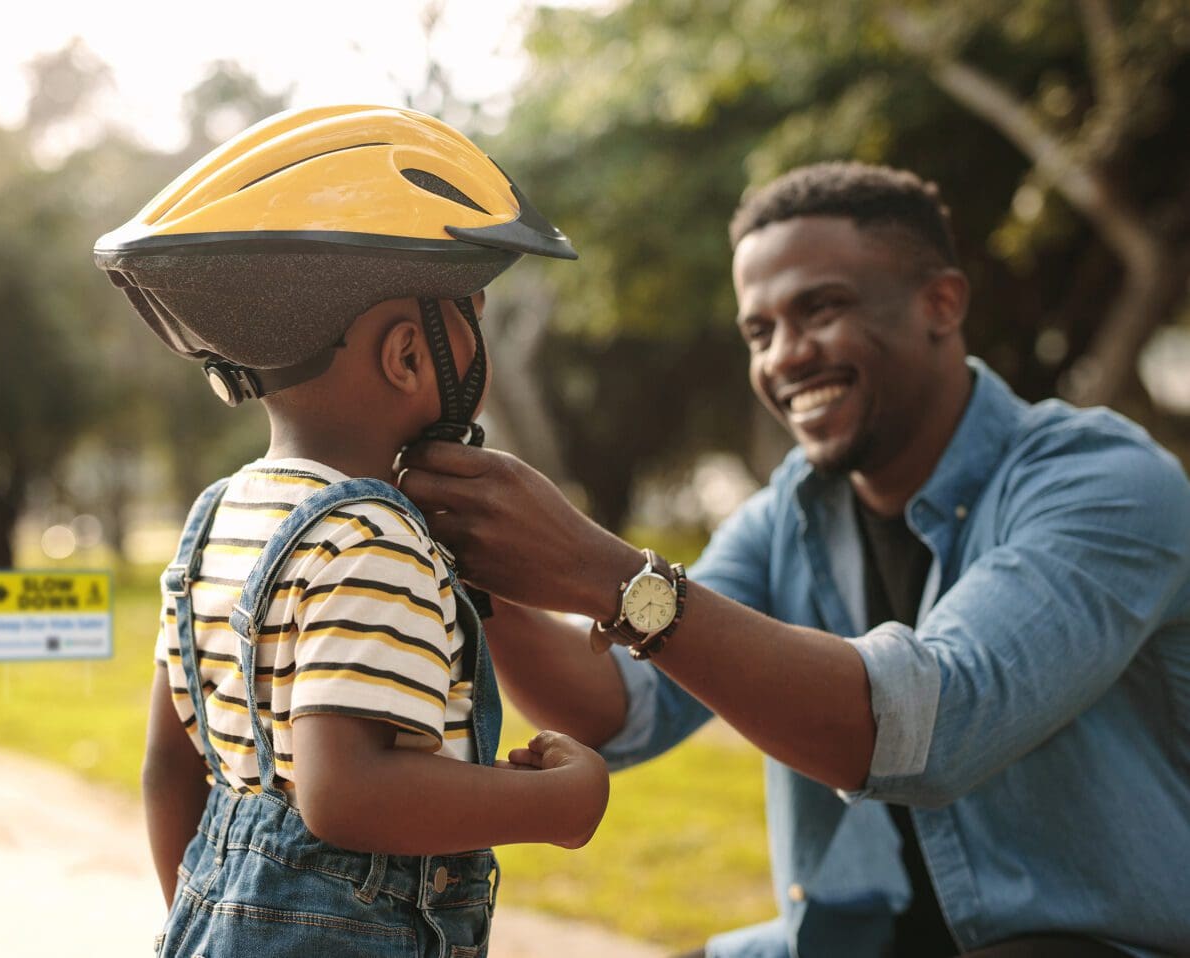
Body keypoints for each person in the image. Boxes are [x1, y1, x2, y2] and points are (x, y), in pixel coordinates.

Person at [396, 162, 1190, 958]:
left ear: (940, 304)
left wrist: (604, 572)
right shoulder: (790, 512)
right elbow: (615, 708)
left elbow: (933, 728)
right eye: (760, 331)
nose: (785, 356)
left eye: (821, 309)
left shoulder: (1105, 484)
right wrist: (469, 559)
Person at [94, 104, 609, 958]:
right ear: (409, 356)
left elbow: (168, 766)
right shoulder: (372, 537)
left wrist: (206, 920)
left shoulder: (217, 517)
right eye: (471, 313)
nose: (478, 334)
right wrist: (566, 804)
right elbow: (349, 795)